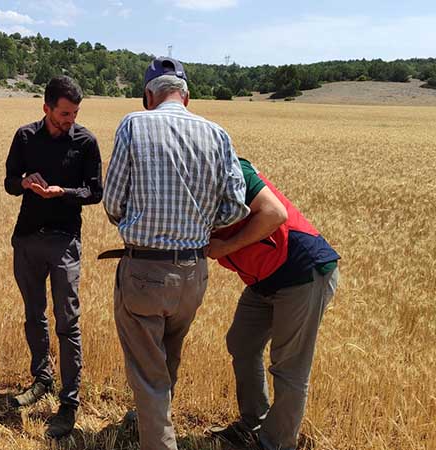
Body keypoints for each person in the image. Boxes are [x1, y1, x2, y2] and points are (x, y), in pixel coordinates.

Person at [102, 57, 250, 450]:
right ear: (186, 95)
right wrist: (198, 224)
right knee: (167, 358)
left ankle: (159, 441)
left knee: (149, 375)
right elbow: (237, 206)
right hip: (193, 273)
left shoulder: (135, 124)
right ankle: (153, 422)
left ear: (148, 95)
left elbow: (113, 201)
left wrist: (139, 218)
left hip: (144, 272)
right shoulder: (218, 134)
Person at [207, 158, 340, 450]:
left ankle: (276, 444)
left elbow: (274, 213)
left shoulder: (231, 168)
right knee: (242, 342)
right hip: (264, 278)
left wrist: (225, 247)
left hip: (301, 271)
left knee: (289, 367)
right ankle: (252, 424)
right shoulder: (189, 182)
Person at [4, 75, 103, 438]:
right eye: (64, 113)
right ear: (46, 108)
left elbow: (95, 192)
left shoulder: (86, 142)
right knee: (34, 315)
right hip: (27, 238)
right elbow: (9, 182)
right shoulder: (25, 137)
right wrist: (25, 182)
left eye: (75, 113)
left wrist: (64, 192)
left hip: (64, 241)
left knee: (67, 321)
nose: (70, 119)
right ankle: (41, 378)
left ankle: (69, 401)